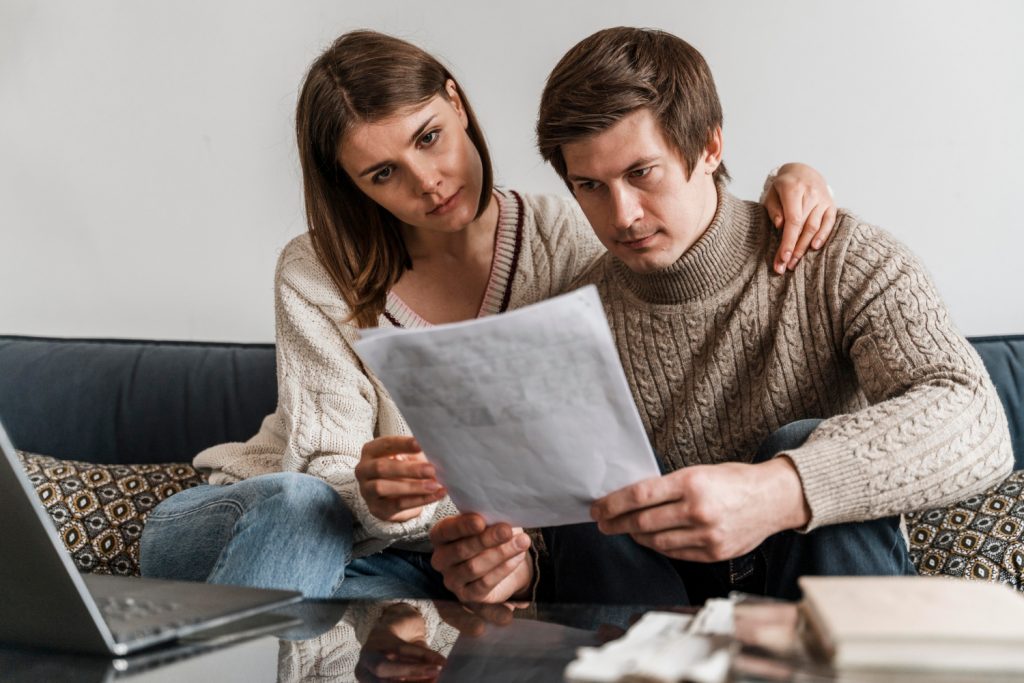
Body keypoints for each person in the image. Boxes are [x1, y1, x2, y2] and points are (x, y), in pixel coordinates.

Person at [138, 30, 838, 598]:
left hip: (410, 569)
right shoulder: (316, 269)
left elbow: (685, 244)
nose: (427, 181)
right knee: (302, 509)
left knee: (403, 611)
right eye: (383, 174)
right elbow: (322, 471)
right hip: (261, 513)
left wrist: (785, 181)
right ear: (351, 186)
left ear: (456, 101)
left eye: (428, 137)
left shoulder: (570, 239)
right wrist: (380, 496)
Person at [425, 26, 1014, 605]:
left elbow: (978, 424)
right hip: (653, 631)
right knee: (606, 483)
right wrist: (516, 571)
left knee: (803, 440)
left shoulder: (839, 257)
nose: (622, 214)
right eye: (590, 185)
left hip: (834, 610)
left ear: (709, 147)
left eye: (641, 173)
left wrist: (780, 490)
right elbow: (560, 541)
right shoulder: (567, 319)